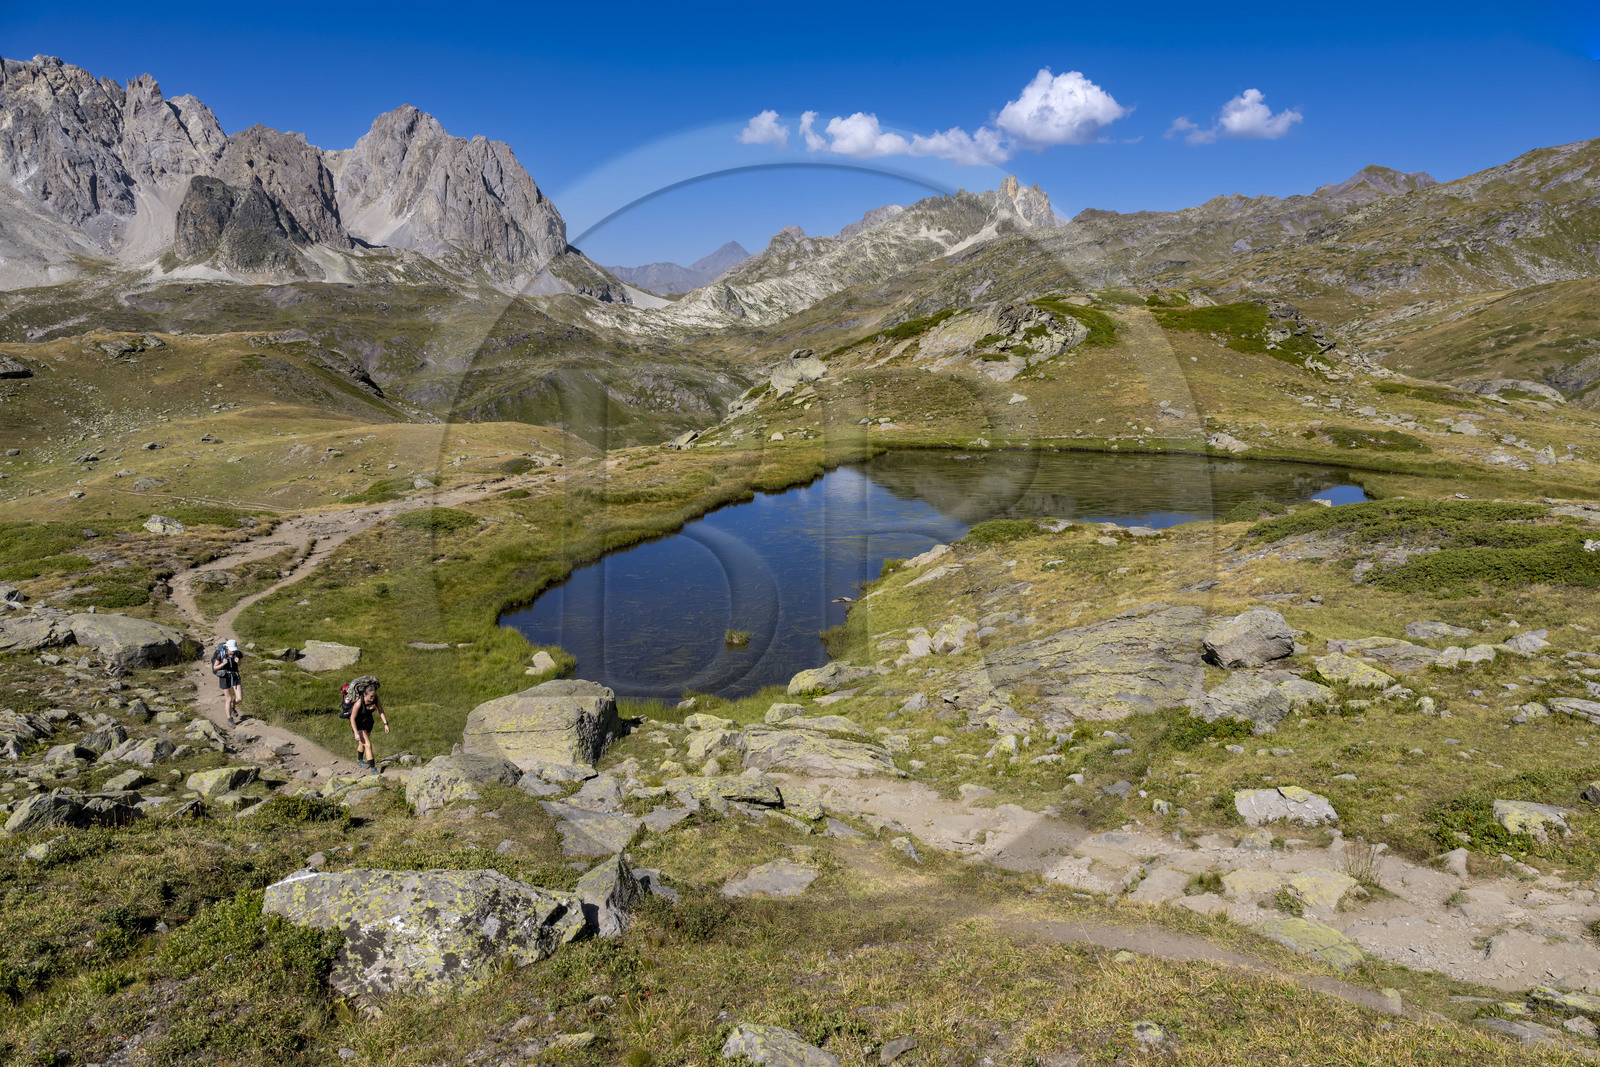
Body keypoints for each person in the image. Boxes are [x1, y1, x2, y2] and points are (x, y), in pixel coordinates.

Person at [344, 675, 389, 774]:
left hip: (368, 723)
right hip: (358, 724)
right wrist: (356, 733)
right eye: (371, 696)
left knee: (362, 743)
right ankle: (373, 769)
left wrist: (385, 723)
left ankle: (359, 760)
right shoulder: (359, 703)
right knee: (368, 745)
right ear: (364, 694)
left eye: (374, 695)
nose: (373, 698)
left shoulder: (376, 698)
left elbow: (380, 710)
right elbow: (352, 718)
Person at [211, 638, 243, 724]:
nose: (233, 652)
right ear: (227, 648)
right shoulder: (220, 654)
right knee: (228, 699)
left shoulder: (237, 653)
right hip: (224, 677)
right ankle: (229, 719)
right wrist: (222, 664)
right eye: (231, 650)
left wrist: (238, 661)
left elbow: (239, 664)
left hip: (235, 676)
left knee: (239, 698)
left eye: (234, 650)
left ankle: (232, 706)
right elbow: (215, 667)